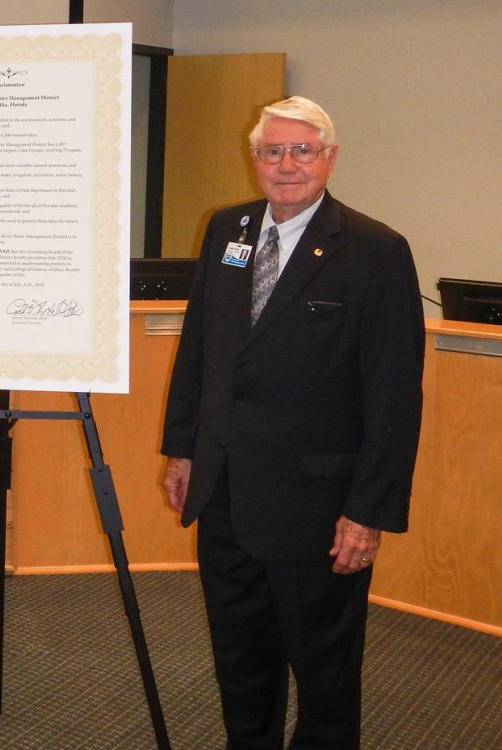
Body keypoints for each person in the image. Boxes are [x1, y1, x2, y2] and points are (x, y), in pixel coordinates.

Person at [161, 97, 424, 749]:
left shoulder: (374, 250)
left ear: (330, 158)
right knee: (242, 666)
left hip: (320, 508)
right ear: (254, 160)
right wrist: (182, 449)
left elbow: (394, 397)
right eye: (272, 151)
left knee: (324, 679)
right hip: (224, 493)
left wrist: (369, 511)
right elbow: (203, 347)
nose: (286, 164)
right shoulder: (229, 230)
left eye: (302, 150)